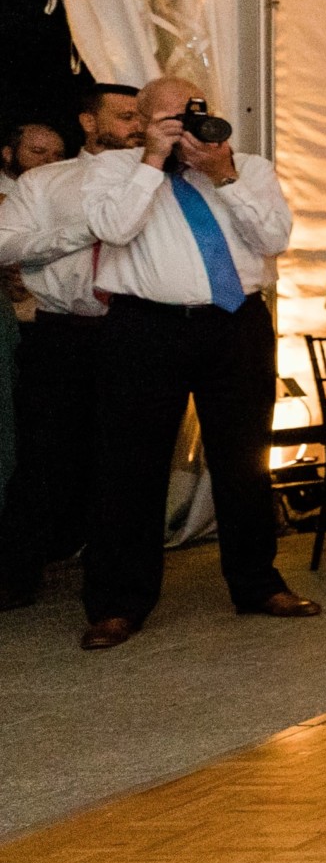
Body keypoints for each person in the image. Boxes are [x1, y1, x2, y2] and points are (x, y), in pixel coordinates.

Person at [79, 77, 319, 651]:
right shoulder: (113, 170)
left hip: (235, 323)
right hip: (146, 326)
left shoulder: (249, 167)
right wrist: (152, 161)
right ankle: (118, 603)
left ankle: (257, 584)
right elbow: (113, 228)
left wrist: (225, 177)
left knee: (245, 460)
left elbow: (275, 236)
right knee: (132, 465)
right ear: (140, 120)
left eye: (192, 113)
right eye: (166, 118)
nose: (184, 125)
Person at [0, 85, 141, 610]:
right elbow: (5, 241)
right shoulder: (44, 181)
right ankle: (17, 571)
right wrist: (82, 231)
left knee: (127, 461)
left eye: (142, 117)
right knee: (45, 456)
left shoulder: (156, 184)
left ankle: (115, 585)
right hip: (62, 331)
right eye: (125, 115)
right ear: (88, 120)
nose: (137, 125)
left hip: (137, 329)